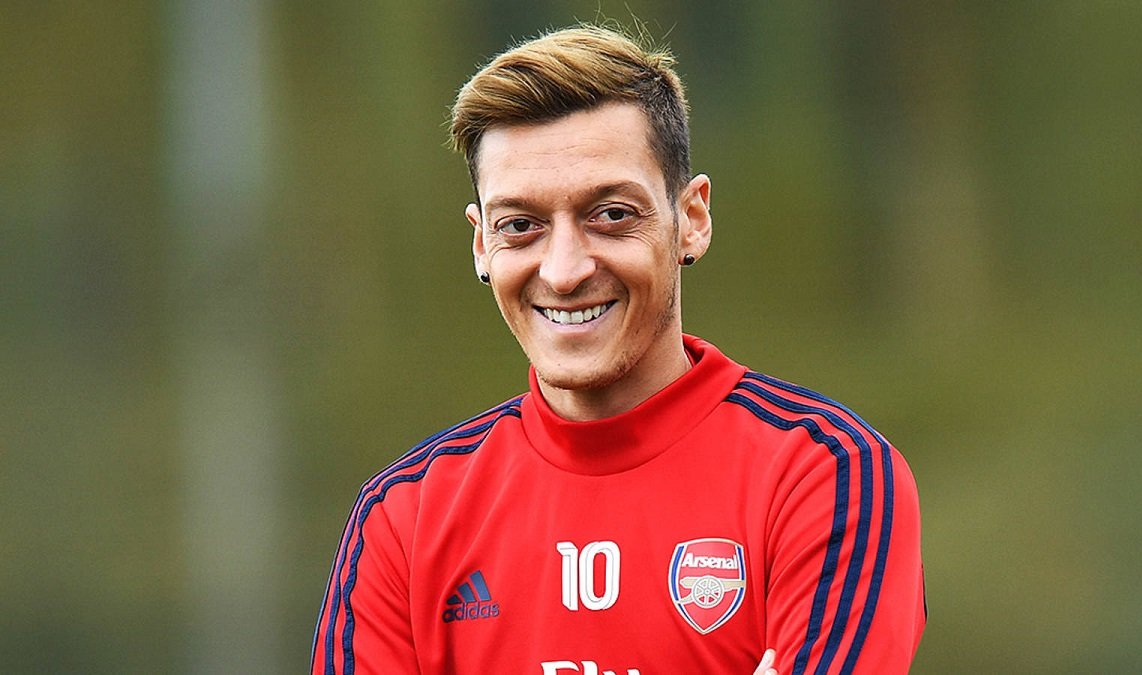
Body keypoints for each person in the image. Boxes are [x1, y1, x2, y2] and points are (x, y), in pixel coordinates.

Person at [312, 24, 925, 675]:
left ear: (691, 219)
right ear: (482, 244)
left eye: (611, 215)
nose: (564, 270)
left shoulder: (825, 474)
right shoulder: (403, 518)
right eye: (520, 225)